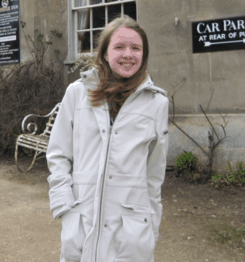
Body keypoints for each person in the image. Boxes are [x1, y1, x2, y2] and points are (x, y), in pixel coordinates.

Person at [47, 16, 169, 262]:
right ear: (104, 52)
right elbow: (58, 153)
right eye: (119, 47)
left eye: (136, 48)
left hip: (131, 229)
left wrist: (151, 226)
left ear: (144, 55)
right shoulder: (77, 94)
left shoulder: (158, 103)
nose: (128, 54)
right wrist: (64, 207)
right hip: (81, 220)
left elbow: (154, 174)